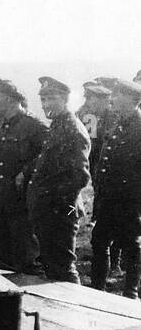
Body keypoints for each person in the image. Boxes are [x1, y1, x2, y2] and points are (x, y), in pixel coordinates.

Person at [0, 79, 47, 273]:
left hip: (23, 204)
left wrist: (26, 172)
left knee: (26, 260)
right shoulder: (0, 128)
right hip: (2, 201)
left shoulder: (35, 127)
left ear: (10, 100)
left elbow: (48, 157)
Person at [28, 77, 90, 282]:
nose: (45, 105)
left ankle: (74, 309)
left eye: (51, 99)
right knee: (51, 265)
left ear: (64, 99)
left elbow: (79, 176)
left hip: (61, 211)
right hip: (49, 210)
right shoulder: (57, 125)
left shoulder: (72, 128)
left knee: (64, 266)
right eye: (43, 99)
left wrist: (52, 200)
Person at [89, 79, 141, 295]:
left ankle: (131, 292)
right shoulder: (118, 124)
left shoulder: (138, 128)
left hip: (130, 200)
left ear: (133, 100)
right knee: (99, 241)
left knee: (131, 245)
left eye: (119, 95)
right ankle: (97, 289)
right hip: (109, 198)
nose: (114, 99)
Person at [78, 81, 116, 186]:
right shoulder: (90, 116)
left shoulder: (115, 117)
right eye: (89, 99)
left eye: (92, 100)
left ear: (105, 100)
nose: (89, 104)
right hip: (96, 166)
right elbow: (91, 144)